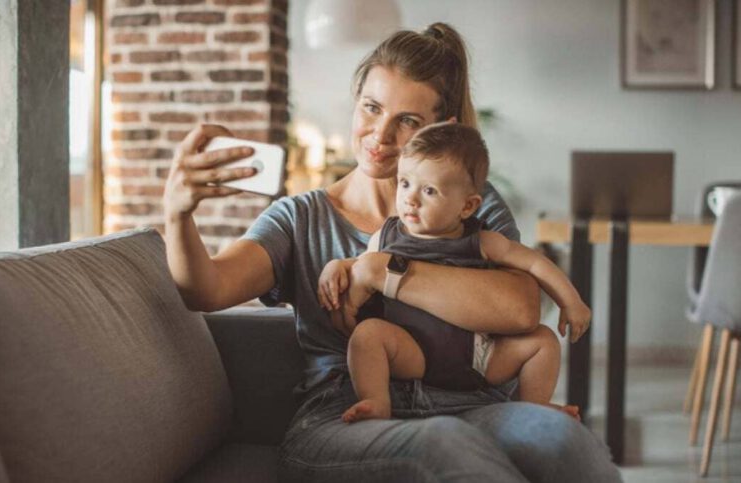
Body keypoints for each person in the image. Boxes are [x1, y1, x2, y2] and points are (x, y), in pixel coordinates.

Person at [163, 22, 621, 483]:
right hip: (345, 412)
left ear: (441, 130)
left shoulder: (470, 206)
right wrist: (179, 213)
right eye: (372, 108)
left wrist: (384, 271)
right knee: (443, 442)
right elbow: (206, 290)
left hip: (473, 402)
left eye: (407, 121)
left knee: (561, 437)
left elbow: (520, 310)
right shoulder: (300, 218)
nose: (380, 135)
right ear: (356, 100)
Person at [316, 122, 589, 424]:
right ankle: (377, 401)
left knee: (544, 341)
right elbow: (361, 267)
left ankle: (533, 407)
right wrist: (335, 266)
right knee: (367, 335)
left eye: (429, 190)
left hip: (480, 356)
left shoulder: (482, 241)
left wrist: (571, 301)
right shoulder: (385, 236)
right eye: (404, 183)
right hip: (412, 350)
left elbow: (535, 263)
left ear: (467, 206)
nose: (411, 198)